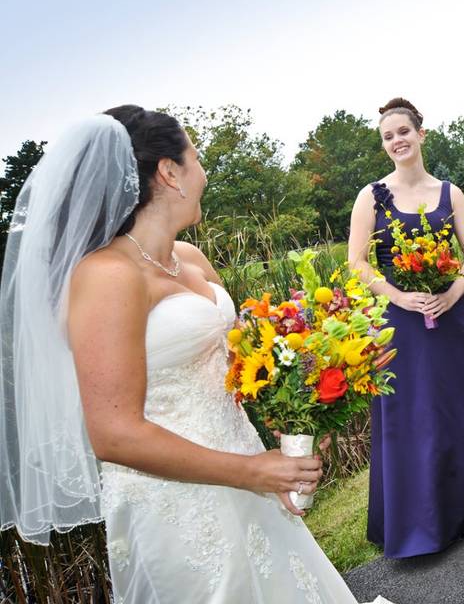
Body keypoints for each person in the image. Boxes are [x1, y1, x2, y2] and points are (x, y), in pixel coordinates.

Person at [0, 107, 390, 603]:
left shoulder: (190, 259)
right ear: (169, 171)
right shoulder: (106, 276)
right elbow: (113, 432)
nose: (203, 174)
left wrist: (312, 403)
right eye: (197, 159)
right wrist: (251, 472)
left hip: (248, 463)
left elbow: (246, 366)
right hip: (177, 502)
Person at [347, 98, 464, 558]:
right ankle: (428, 523)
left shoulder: (449, 192)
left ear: (421, 134)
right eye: (388, 136)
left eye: (403, 132)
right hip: (402, 321)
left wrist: (454, 293)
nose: (397, 141)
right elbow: (357, 262)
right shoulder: (371, 196)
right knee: (418, 416)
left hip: (453, 316)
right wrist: (398, 296)